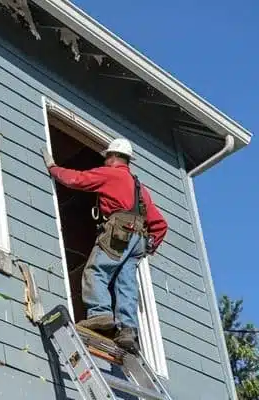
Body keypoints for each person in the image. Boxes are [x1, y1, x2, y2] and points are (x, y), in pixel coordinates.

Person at [41, 138, 168, 353]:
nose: (106, 159)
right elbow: (160, 224)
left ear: (114, 157)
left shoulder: (109, 174)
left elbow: (76, 179)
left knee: (96, 270)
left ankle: (99, 313)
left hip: (119, 229)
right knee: (125, 282)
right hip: (139, 239)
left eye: (107, 156)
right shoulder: (140, 188)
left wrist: (53, 169)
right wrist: (148, 247)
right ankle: (127, 330)